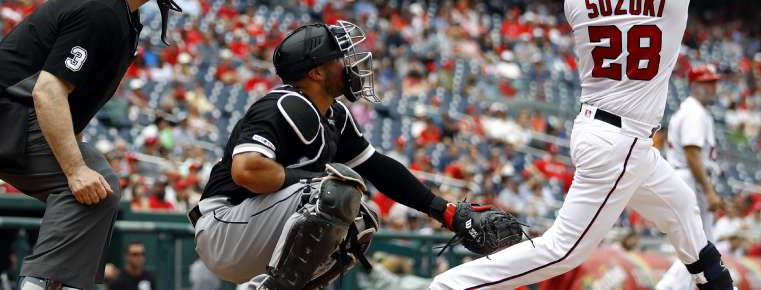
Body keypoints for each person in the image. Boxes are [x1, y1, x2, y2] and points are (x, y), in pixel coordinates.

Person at [430, 0, 734, 290]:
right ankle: (450, 287)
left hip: (608, 134)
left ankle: (718, 284)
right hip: (620, 142)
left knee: (682, 208)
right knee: (563, 251)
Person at [191, 20, 519, 290]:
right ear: (316, 72)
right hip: (225, 225)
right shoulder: (286, 104)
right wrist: (315, 180)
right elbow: (246, 170)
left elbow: (378, 168)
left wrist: (443, 211)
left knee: (364, 214)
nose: (350, 63)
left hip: (256, 232)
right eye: (339, 57)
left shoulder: (334, 114)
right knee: (336, 191)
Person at [0, 0, 185, 290]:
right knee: (90, 180)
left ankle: (54, 283)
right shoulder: (100, 8)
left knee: (94, 190)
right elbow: (48, 92)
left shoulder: (118, 7)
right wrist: (74, 169)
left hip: (5, 107)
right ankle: (41, 284)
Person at [666, 64, 723, 240]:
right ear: (694, 86)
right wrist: (709, 191)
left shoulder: (695, 111)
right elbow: (691, 154)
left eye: (714, 83)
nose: (713, 88)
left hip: (690, 179)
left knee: (698, 246)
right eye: (707, 83)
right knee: (701, 246)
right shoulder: (694, 113)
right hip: (690, 180)